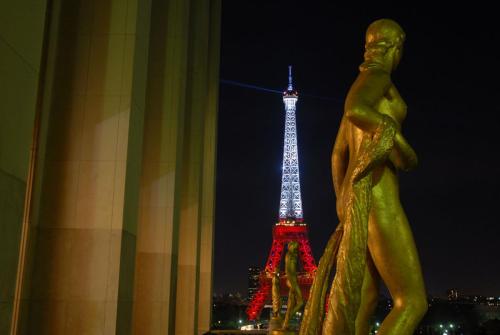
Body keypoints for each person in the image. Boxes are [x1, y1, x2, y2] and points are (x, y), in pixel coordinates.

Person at [300, 19, 427, 335]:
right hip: (379, 196)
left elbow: (336, 155)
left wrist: (343, 199)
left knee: (362, 298)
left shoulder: (362, 80)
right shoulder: (378, 77)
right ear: (395, 47)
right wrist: (399, 144)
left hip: (357, 199)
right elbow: (356, 109)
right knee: (411, 302)